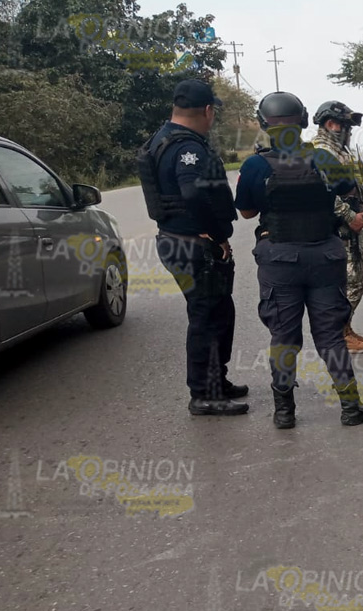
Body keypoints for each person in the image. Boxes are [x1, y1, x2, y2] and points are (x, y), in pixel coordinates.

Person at [235, 91, 363, 430]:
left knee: (283, 339)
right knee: (331, 336)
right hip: (324, 257)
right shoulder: (323, 159)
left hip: (280, 261)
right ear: (303, 122)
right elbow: (347, 192)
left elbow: (246, 212)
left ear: (262, 123)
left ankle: (284, 412)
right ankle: (350, 407)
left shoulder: (255, 164)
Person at [139, 79, 247, 416]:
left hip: (175, 240)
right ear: (208, 111)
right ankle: (204, 394)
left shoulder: (160, 138)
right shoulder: (189, 148)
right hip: (193, 247)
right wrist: (215, 234)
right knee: (207, 319)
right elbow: (193, 192)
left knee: (218, 313)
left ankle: (217, 381)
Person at [311, 100, 363, 354]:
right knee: (351, 281)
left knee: (356, 277)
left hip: (349, 227)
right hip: (339, 228)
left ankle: (344, 329)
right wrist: (350, 216)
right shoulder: (322, 152)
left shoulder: (337, 150)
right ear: (331, 124)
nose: (349, 131)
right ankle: (338, 334)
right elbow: (324, 194)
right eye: (346, 126)